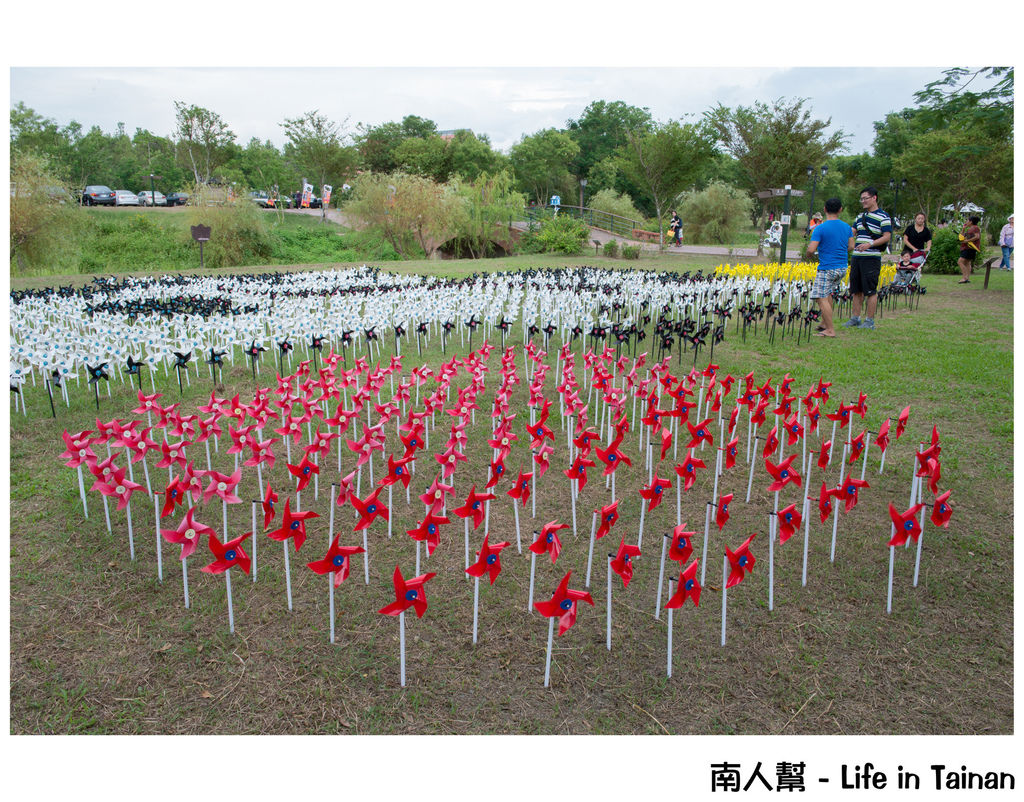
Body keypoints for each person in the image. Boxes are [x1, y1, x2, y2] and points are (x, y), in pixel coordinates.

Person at [844, 186, 892, 331]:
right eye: (862, 199)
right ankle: (855, 318)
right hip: (857, 258)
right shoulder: (860, 217)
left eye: (865, 198)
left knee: (870, 290)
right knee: (856, 289)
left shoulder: (884, 217)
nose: (863, 201)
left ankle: (869, 321)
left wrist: (869, 244)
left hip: (871, 258)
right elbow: (852, 233)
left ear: (874, 198)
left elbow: (887, 236)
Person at [806, 197, 854, 338]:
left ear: (825, 209)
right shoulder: (847, 227)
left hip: (827, 267)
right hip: (842, 267)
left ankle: (830, 330)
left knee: (820, 297)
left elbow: (811, 249)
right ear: (840, 210)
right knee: (827, 294)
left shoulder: (820, 228)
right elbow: (851, 246)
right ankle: (824, 323)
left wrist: (810, 254)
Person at [957, 215, 982, 283]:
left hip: (969, 248)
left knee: (960, 261)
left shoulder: (975, 228)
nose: (966, 222)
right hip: (966, 247)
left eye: (967, 220)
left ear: (971, 221)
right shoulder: (970, 228)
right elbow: (961, 237)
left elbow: (977, 237)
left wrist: (967, 241)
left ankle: (964, 277)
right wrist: (963, 229)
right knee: (967, 262)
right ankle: (967, 278)